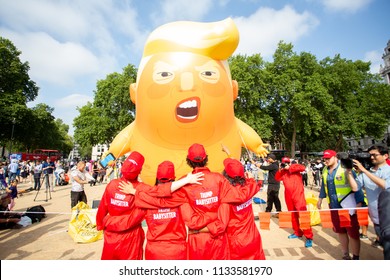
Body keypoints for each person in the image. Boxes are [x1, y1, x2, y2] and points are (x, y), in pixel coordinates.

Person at [96, 152, 203, 260]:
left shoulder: (114, 186)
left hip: (115, 236)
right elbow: (160, 195)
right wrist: (186, 181)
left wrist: (104, 224)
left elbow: (102, 208)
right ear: (140, 170)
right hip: (137, 237)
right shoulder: (146, 190)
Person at [192, 158, 266, 259]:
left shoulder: (225, 196)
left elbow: (221, 225)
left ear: (225, 174)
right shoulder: (250, 186)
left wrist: (197, 230)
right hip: (252, 237)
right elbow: (252, 181)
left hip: (235, 243)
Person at [317, 149, 365, 260]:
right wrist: (320, 199)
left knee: (352, 233)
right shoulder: (325, 170)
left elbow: (356, 187)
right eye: (325, 158)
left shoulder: (346, 168)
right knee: (340, 231)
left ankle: (356, 257)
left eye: (328, 158)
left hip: (348, 207)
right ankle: (345, 255)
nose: (326, 160)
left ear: (335, 157)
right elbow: (324, 186)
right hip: (334, 206)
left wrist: (359, 202)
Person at [354, 145, 390, 259]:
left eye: (375, 154)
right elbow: (355, 187)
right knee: (385, 248)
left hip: (388, 219)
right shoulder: (365, 173)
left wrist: (364, 170)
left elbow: (385, 185)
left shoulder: (388, 170)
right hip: (376, 218)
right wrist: (349, 172)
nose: (372, 157)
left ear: (385, 156)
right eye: (370, 155)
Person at [275, 157, 314, 247]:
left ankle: (309, 236)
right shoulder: (283, 172)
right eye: (283, 163)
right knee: (293, 215)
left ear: (290, 163)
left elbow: (303, 167)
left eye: (286, 163)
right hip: (288, 196)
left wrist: (290, 167)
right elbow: (277, 178)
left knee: (303, 215)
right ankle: (297, 232)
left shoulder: (295, 168)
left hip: (298, 195)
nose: (285, 164)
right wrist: (280, 169)